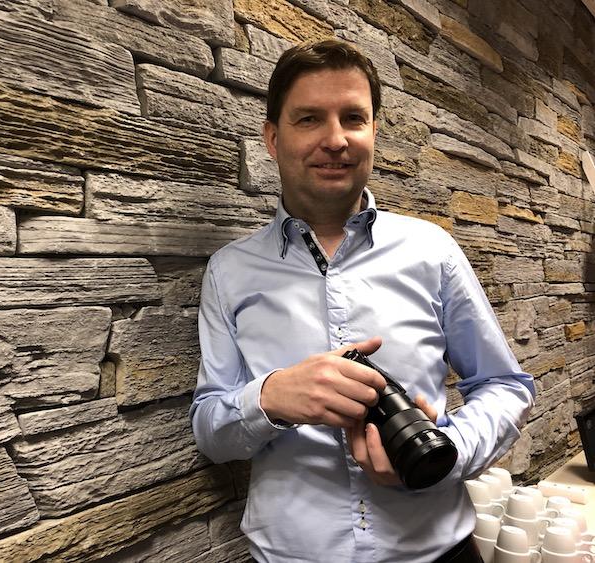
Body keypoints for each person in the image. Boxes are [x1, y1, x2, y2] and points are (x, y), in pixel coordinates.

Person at [189, 39, 534, 563]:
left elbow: (504, 385)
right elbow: (210, 429)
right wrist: (271, 398)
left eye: (353, 118)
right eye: (309, 119)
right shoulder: (228, 271)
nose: (335, 140)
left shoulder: (432, 250)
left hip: (437, 551)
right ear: (273, 138)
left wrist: (445, 452)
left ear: (373, 131)